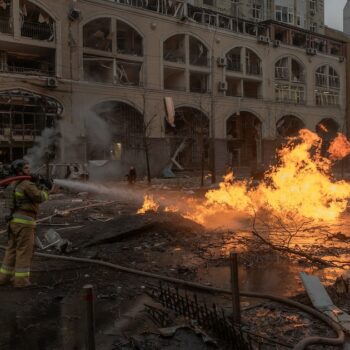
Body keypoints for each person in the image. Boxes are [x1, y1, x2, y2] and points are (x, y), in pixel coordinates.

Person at [0, 160, 51, 288]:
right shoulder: (26, 184)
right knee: (24, 251)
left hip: (13, 222)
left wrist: (37, 183)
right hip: (25, 222)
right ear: (19, 171)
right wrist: (46, 188)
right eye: (26, 168)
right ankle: (21, 281)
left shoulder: (12, 184)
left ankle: (3, 278)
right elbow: (40, 197)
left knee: (11, 250)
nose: (29, 170)